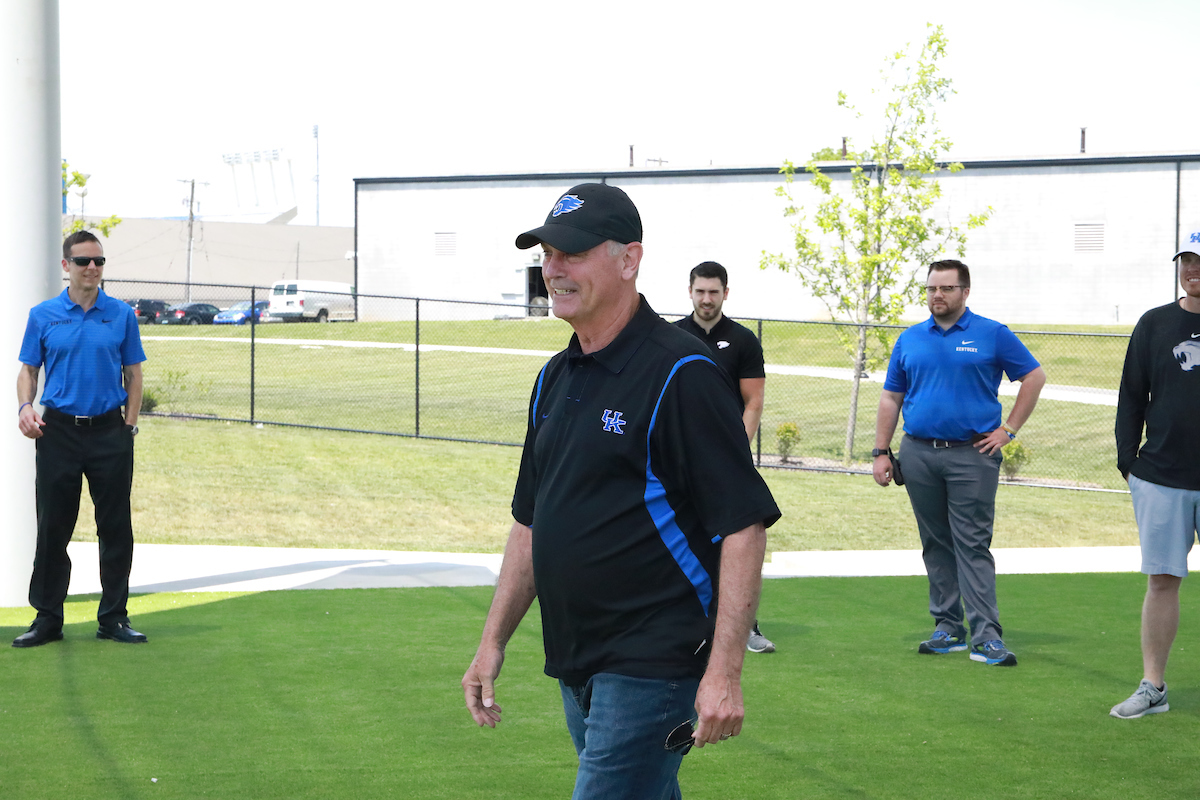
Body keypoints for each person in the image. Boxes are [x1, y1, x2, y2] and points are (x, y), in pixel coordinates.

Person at [461, 183, 780, 799]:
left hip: (653, 661)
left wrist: (725, 672)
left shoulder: (682, 374)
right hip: (577, 656)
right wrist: (491, 642)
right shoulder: (555, 376)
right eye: (547, 253)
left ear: (629, 259)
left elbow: (743, 524)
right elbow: (531, 521)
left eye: (572, 253)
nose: (553, 268)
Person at [872, 259, 1045, 667]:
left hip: (973, 455)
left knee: (971, 544)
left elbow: (1033, 377)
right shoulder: (910, 339)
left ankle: (986, 635)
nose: (938, 296)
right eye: (932, 288)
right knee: (935, 543)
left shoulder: (992, 334)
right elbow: (891, 397)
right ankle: (947, 628)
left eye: (947, 289)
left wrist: (1009, 430)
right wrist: (882, 452)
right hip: (918, 454)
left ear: (965, 292)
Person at [13, 230, 148, 648]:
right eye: (84, 261)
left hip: (110, 433)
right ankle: (48, 618)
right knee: (53, 528)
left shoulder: (121, 314)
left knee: (115, 528)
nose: (93, 268)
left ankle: (113, 617)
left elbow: (134, 374)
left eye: (100, 262)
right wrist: (24, 407)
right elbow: (28, 371)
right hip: (58, 435)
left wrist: (128, 426)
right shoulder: (43, 315)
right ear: (66, 266)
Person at [1109, 231, 1200, 719]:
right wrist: (1131, 463)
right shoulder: (1155, 323)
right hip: (1161, 477)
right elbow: (1131, 395)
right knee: (1162, 581)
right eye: (1187, 260)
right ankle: (1153, 687)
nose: (1193, 269)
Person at [673, 261, 775, 654]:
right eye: (700, 291)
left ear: (725, 294)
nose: (706, 299)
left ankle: (746, 627)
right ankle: (690, 625)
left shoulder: (743, 341)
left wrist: (733, 451)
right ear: (690, 291)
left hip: (727, 463)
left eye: (714, 292)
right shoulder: (673, 336)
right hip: (681, 463)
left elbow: (754, 402)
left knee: (740, 541)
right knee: (685, 541)